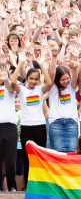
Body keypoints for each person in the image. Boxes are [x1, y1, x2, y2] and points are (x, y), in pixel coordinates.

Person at [11, 51, 53, 184]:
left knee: (40, 156)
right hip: (26, 127)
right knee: (27, 157)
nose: (34, 81)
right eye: (31, 78)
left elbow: (50, 83)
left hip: (40, 126)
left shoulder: (40, 90)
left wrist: (41, 65)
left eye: (36, 79)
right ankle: (30, 184)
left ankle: (41, 184)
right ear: (27, 78)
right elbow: (13, 81)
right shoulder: (22, 90)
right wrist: (20, 62)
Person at [48, 46, 79, 152]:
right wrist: (54, 56)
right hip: (56, 122)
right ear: (57, 80)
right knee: (58, 153)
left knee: (72, 152)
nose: (66, 81)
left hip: (71, 123)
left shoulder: (72, 86)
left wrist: (75, 68)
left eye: (67, 78)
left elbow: (75, 78)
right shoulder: (52, 87)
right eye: (63, 79)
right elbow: (52, 73)